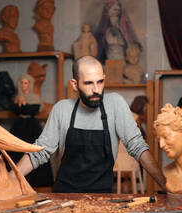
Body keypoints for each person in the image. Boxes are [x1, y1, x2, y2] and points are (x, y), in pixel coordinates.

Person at [15, 56, 166, 193]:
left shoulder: (115, 104)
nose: (96, 90)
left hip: (102, 197)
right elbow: (40, 152)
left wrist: (166, 186)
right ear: (74, 84)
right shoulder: (62, 109)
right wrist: (9, 178)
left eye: (100, 82)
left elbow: (138, 146)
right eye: (88, 83)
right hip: (64, 196)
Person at [9, 74, 53, 187]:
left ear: (30, 84)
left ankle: (36, 182)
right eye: (22, 83)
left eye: (26, 83)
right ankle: (12, 180)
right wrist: (21, 106)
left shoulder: (34, 98)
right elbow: (15, 109)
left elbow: (32, 110)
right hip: (18, 126)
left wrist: (23, 105)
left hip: (31, 127)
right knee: (14, 151)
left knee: (35, 150)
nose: (24, 85)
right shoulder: (17, 97)